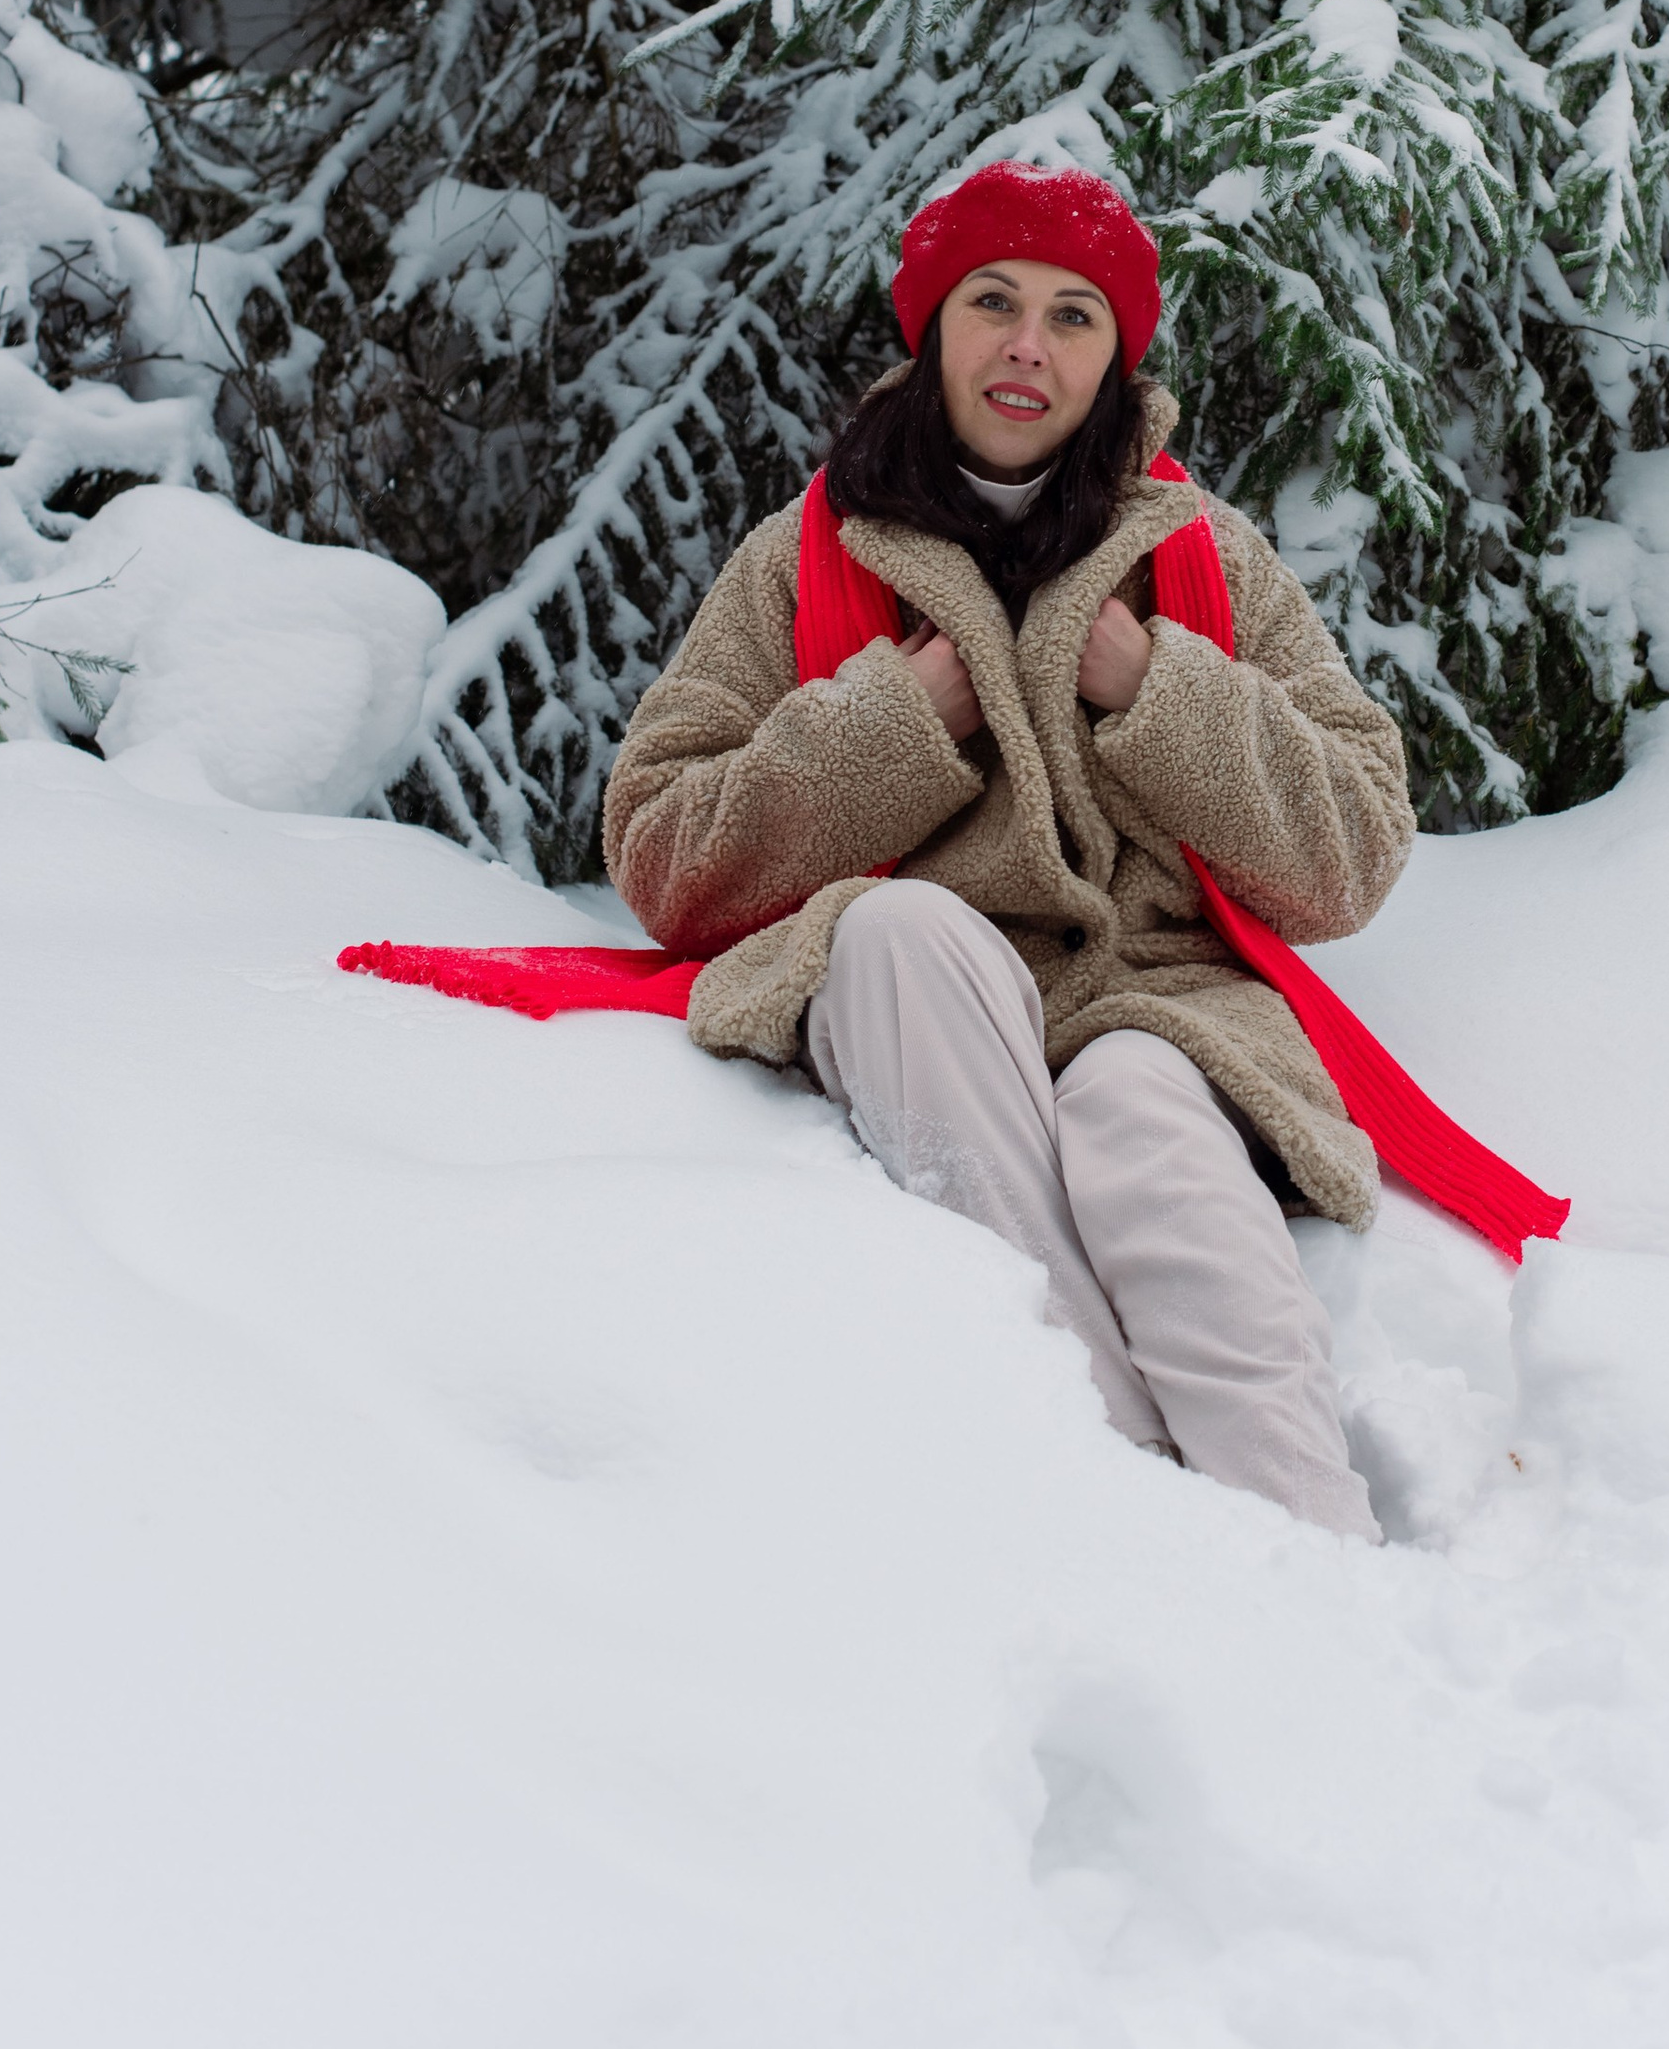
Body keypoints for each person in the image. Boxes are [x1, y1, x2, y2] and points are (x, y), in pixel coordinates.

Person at [602, 163, 1412, 1538]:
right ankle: (1110, 1484)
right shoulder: (804, 555)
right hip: (920, 998)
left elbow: (1353, 850)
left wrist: (1158, 685)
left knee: (1147, 1106)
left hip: (1154, 1001)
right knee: (901, 933)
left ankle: (1313, 1551)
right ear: (934, 330)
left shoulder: (1206, 556)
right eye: (994, 303)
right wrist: (891, 724)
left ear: (1115, 357)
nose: (1029, 345)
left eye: (1073, 315)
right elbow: (665, 856)